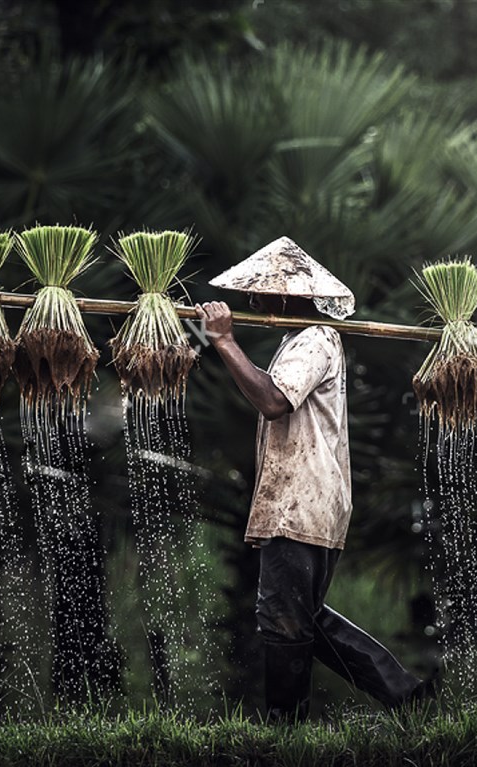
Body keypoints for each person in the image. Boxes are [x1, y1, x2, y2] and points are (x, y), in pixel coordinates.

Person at [195, 236, 434, 723]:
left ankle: (285, 727)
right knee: (299, 615)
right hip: (302, 500)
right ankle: (406, 697)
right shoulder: (298, 342)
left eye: (262, 292)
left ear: (288, 297)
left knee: (284, 619)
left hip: (300, 502)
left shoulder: (315, 339)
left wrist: (224, 341)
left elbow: (273, 400)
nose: (253, 301)